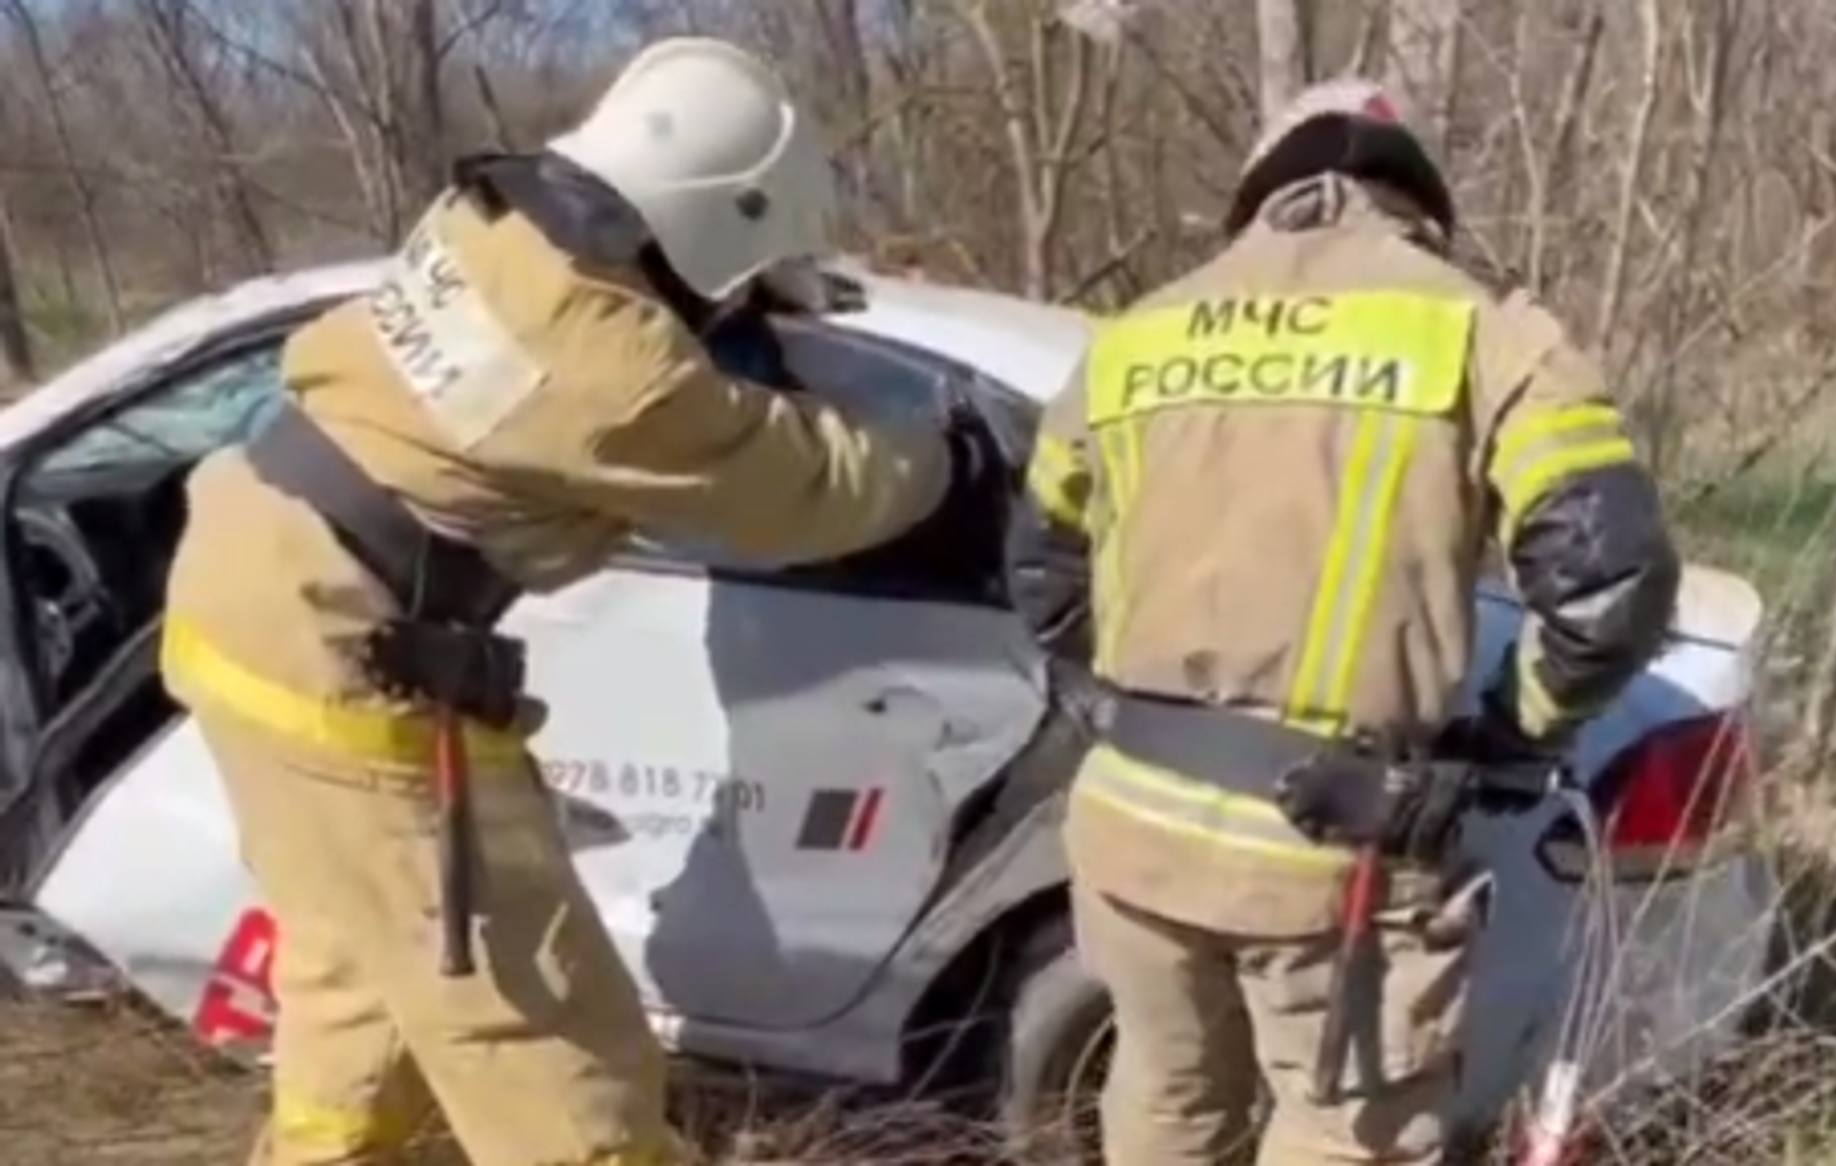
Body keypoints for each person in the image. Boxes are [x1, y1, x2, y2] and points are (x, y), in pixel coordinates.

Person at [160, 37, 985, 1166]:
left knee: (361, 963)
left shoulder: (483, 224)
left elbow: (578, 334)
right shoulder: (620, 375)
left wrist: (731, 300)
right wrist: (947, 462)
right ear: (717, 220)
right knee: (544, 1037)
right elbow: (799, 487)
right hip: (349, 658)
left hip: (245, 584)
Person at [1006, 80, 1682, 1165]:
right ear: (1414, 200)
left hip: (1130, 835)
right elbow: (1611, 583)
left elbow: (1040, 572)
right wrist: (1506, 738)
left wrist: (1125, 713)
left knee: (1167, 1101)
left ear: (1258, 195)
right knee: (1345, 1134)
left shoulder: (1130, 338)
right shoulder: (1480, 333)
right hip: (1334, 847)